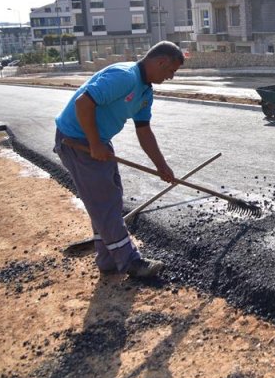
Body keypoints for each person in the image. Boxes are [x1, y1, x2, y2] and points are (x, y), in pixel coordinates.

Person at [53, 41, 184, 278]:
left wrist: (161, 166)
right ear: (161, 62)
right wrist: (93, 144)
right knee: (104, 202)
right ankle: (131, 262)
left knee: (109, 199)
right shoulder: (124, 76)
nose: (171, 77)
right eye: (171, 71)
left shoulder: (145, 91)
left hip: (98, 141)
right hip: (77, 141)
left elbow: (144, 130)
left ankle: (107, 260)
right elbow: (83, 103)